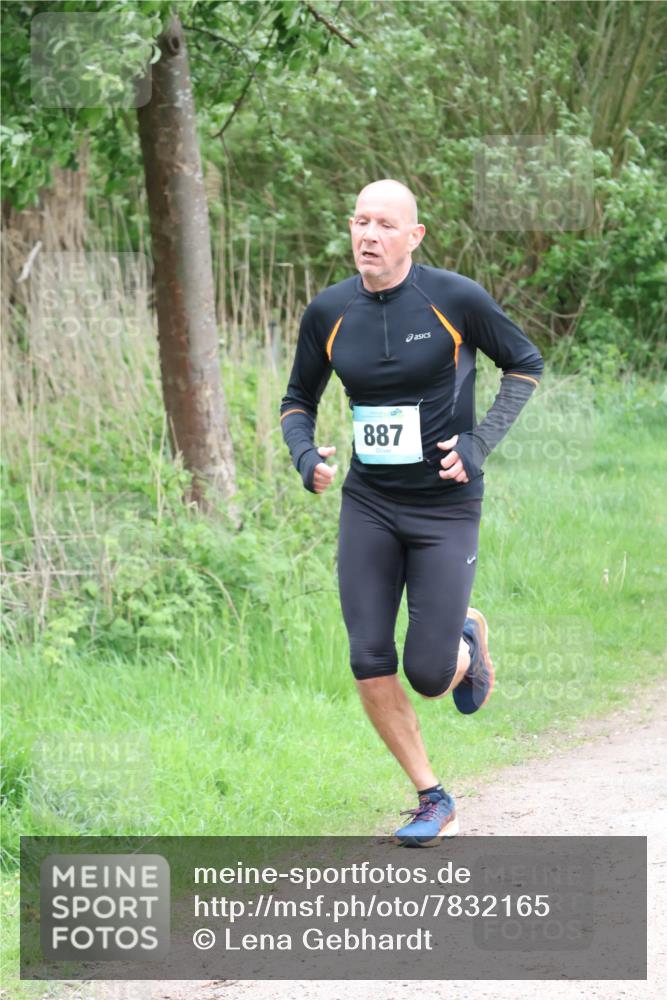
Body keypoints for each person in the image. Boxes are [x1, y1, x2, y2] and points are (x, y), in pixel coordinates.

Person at [280, 179, 543, 846]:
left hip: (445, 507)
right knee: (368, 655)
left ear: (413, 236)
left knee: (428, 675)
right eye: (360, 222)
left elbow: (523, 363)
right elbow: (295, 402)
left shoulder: (453, 298)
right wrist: (304, 454)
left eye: (384, 224)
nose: (368, 235)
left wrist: (479, 443)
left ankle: (465, 641)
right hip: (368, 503)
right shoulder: (329, 312)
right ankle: (431, 796)